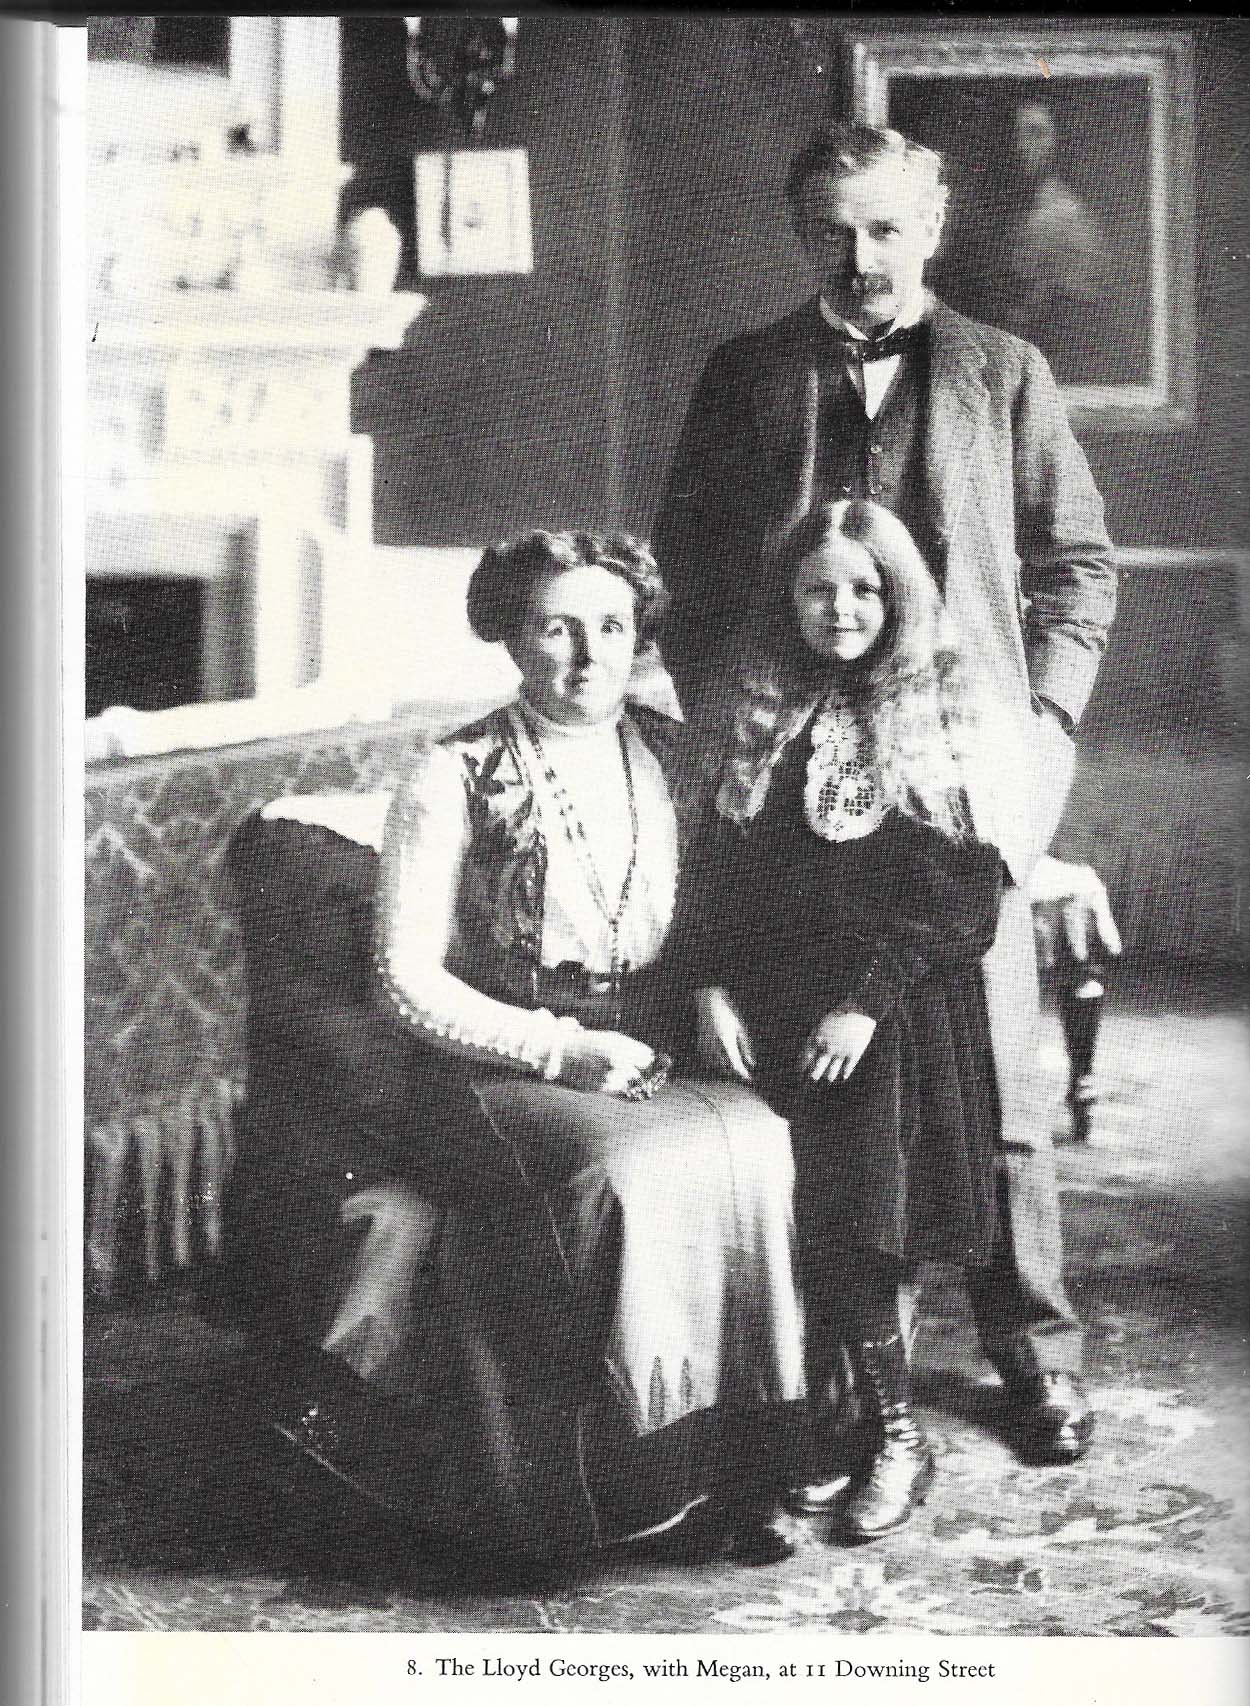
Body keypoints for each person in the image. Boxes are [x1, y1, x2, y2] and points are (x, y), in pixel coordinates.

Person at [653, 121, 1117, 1483]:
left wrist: (1044, 721)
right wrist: (739, 708)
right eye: (832, 232)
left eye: (885, 229)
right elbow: (685, 563)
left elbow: (1077, 565)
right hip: (797, 769)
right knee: (838, 1070)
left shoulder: (1001, 370)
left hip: (961, 761)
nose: (860, 258)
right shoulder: (745, 373)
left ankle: (1035, 1350)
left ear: (933, 227)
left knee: (995, 1068)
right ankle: (863, 1383)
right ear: (800, 235)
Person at [235, 529, 809, 1569]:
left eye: (612, 627)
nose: (588, 654)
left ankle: (734, 1471)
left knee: (761, 1139)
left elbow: (719, 910)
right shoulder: (451, 773)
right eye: (557, 628)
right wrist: (559, 1050)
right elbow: (405, 983)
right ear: (510, 636)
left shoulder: (678, 755)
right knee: (623, 1167)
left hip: (648, 1044)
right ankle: (597, 1489)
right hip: (490, 1066)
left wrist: (710, 986)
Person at [691, 500, 1005, 1540]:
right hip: (774, 1004)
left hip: (889, 1016)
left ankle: (898, 1439)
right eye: (818, 588)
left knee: (863, 1224)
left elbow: (961, 898)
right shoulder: (765, 708)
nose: (841, 608)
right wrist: (707, 984)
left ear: (897, 597)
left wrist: (864, 1002)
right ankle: (834, 1426)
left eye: (865, 588)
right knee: (793, 1218)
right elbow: (721, 875)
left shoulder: (935, 709)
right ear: (788, 598)